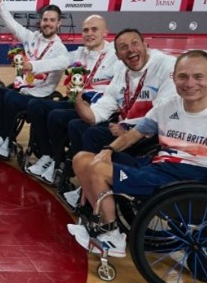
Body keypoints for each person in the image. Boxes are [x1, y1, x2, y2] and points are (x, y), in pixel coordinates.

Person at [67, 50, 207, 258]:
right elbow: (133, 135)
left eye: (198, 76)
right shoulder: (167, 107)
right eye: (183, 76)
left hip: (184, 182)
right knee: (82, 159)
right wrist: (108, 150)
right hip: (156, 170)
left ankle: (112, 236)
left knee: (96, 169)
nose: (189, 83)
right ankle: (103, 219)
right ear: (174, 78)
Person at [62, 27, 177, 209]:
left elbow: (164, 112)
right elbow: (97, 114)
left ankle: (95, 191)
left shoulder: (166, 65)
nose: (130, 50)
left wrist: (132, 130)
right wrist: (77, 100)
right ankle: (91, 184)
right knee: (78, 125)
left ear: (145, 45)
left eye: (134, 44)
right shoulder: (122, 72)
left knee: (92, 135)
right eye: (124, 47)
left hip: (152, 133)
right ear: (118, 55)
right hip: (125, 128)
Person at [23, 14, 118, 182]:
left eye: (94, 29)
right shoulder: (79, 53)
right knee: (36, 106)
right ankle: (47, 155)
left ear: (105, 33)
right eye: (86, 30)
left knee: (56, 116)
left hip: (97, 108)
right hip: (76, 101)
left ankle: (58, 162)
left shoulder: (115, 57)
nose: (89, 33)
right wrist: (32, 66)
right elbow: (57, 62)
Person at [0, 0, 69, 159]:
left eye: (52, 20)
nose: (48, 23)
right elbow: (11, 23)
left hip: (39, 96)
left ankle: (8, 141)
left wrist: (32, 66)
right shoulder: (31, 37)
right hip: (22, 89)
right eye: (45, 19)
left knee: (10, 97)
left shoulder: (60, 49)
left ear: (58, 23)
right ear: (40, 21)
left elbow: (55, 64)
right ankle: (1, 137)